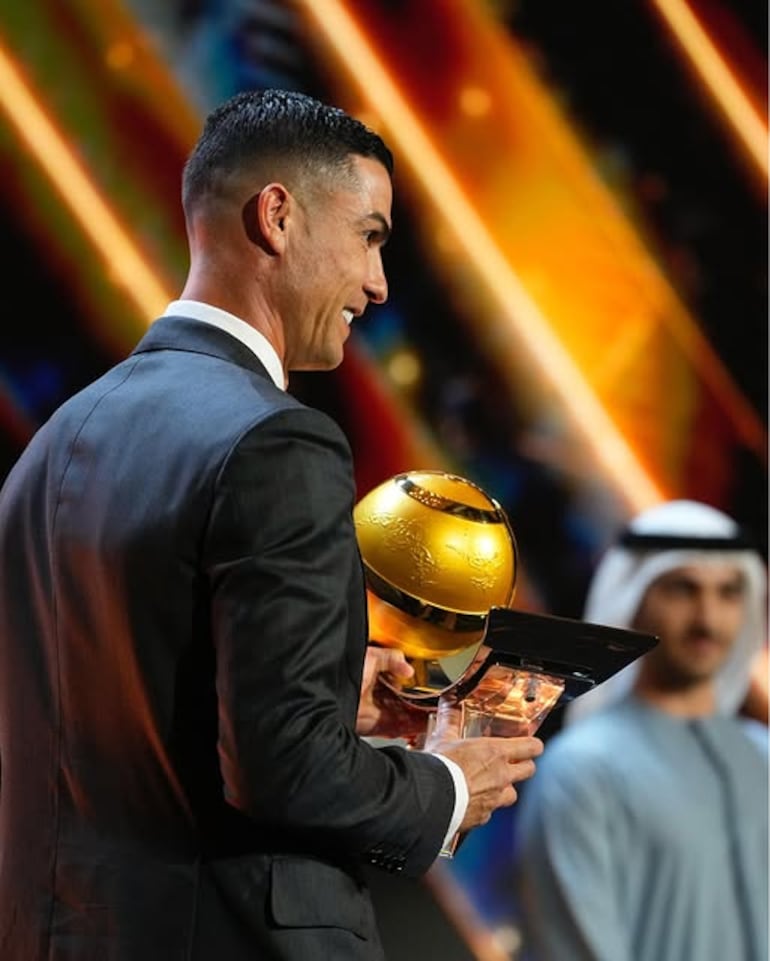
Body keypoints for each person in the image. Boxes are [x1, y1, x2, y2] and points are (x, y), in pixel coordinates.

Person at [0, 89, 544, 961]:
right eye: (369, 235)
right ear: (278, 216)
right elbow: (284, 768)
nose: (378, 282)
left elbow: (124, 715)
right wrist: (444, 788)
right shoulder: (279, 440)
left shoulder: (53, 446)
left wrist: (324, 692)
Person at [511, 499, 768, 961]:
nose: (707, 619)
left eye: (728, 593)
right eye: (683, 590)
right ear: (633, 598)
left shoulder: (762, 755)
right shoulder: (583, 770)